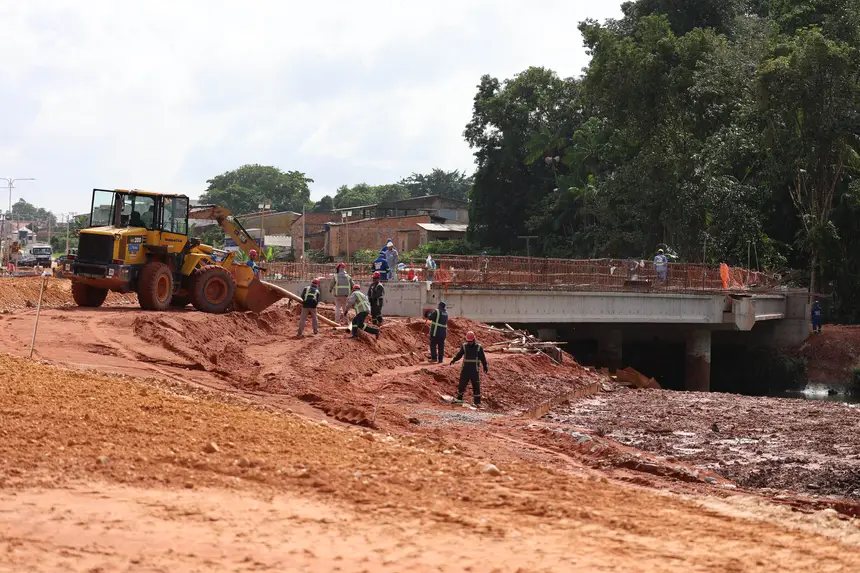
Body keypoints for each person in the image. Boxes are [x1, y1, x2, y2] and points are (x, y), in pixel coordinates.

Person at [450, 331, 488, 407]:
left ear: (473, 340)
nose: (469, 342)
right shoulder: (464, 346)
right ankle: (459, 399)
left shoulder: (479, 347)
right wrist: (454, 360)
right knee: (462, 384)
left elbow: (482, 358)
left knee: (476, 386)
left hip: (474, 370)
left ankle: (477, 402)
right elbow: (459, 355)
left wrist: (485, 365)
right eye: (468, 341)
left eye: (470, 341)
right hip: (466, 370)